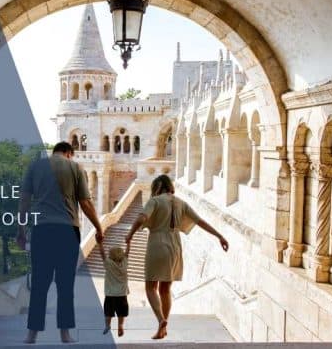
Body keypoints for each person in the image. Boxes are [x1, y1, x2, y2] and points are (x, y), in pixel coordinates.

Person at [17, 142, 104, 344]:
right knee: (65, 285)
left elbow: (24, 200)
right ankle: (65, 334)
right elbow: (85, 203)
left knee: (39, 284)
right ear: (69, 154)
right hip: (67, 231)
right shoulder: (75, 168)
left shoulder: (35, 166)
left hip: (41, 230)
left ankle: (31, 335)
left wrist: (20, 230)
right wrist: (99, 228)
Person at [126, 174, 229, 340]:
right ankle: (163, 329)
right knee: (165, 289)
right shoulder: (181, 203)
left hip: (157, 244)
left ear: (158, 186)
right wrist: (220, 236)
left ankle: (161, 320)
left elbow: (142, 217)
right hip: (175, 246)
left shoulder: (155, 201)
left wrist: (130, 235)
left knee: (151, 287)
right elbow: (200, 221)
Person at [98, 240, 130, 337]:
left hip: (110, 294)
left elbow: (102, 254)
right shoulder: (124, 263)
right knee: (121, 313)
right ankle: (120, 325)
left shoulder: (109, 264)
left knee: (108, 313)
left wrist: (100, 243)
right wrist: (129, 242)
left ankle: (107, 325)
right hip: (122, 294)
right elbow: (127, 252)